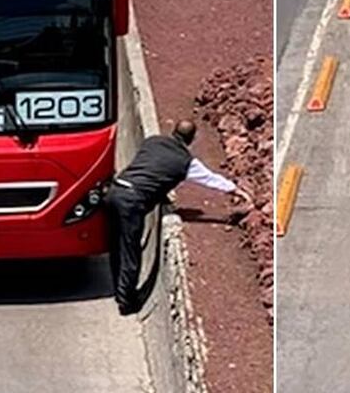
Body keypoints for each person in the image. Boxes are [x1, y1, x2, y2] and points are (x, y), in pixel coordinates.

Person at [106, 119, 252, 315]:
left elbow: (150, 168)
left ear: (173, 131)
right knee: (131, 252)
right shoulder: (185, 161)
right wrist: (236, 190)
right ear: (191, 139)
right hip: (131, 203)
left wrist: (159, 192)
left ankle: (118, 290)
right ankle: (126, 302)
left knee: (116, 247)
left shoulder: (152, 141)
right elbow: (210, 179)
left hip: (115, 192)